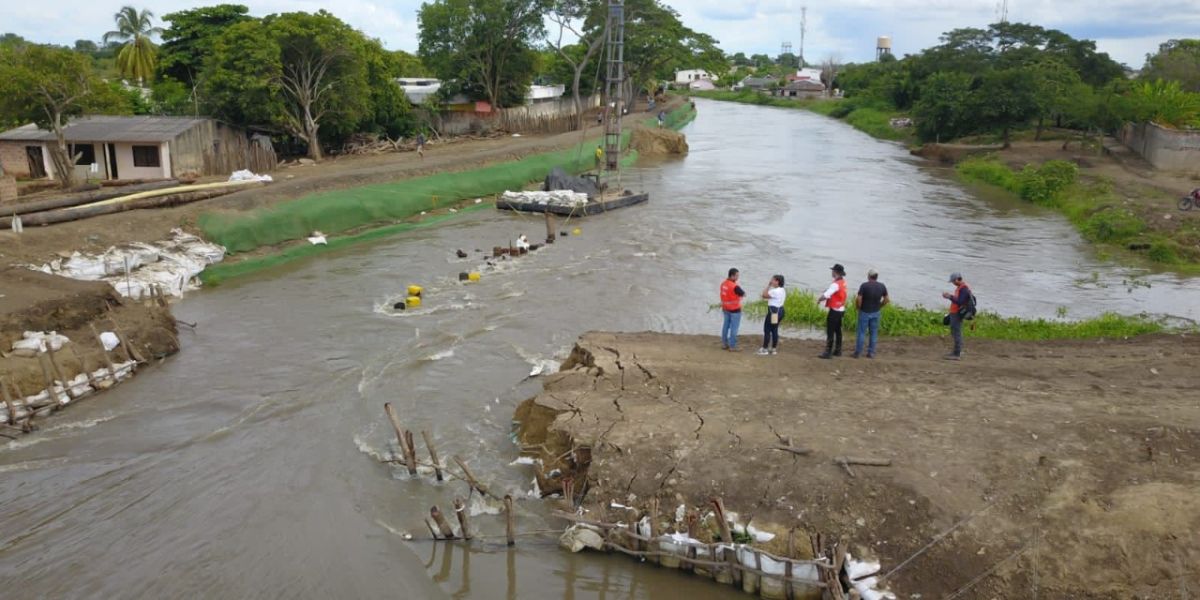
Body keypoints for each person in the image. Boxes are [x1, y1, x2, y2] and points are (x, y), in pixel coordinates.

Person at [853, 269, 889, 359]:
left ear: (869, 276)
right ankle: (871, 353)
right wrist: (880, 306)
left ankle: (858, 353)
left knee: (861, 333)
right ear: (876, 277)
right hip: (876, 312)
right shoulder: (882, 286)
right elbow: (887, 299)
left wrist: (859, 308)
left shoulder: (864, 286)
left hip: (865, 311)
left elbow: (859, 299)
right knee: (873, 333)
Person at [817, 264, 848, 359]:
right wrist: (829, 290)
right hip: (841, 309)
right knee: (838, 330)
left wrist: (819, 299)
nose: (832, 272)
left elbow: (826, 295)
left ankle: (828, 352)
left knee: (830, 331)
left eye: (833, 270)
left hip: (834, 311)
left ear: (835, 272)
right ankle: (838, 350)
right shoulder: (843, 282)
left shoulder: (835, 284)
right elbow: (837, 290)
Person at [942, 272, 971, 360]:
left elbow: (960, 301)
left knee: (956, 332)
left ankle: (956, 354)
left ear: (957, 279)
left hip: (957, 314)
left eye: (953, 281)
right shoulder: (961, 287)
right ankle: (959, 351)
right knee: (957, 332)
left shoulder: (964, 289)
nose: (953, 283)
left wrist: (949, 296)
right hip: (955, 312)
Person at [757, 274, 786, 356]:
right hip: (781, 311)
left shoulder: (774, 291)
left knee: (767, 330)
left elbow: (763, 295)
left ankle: (765, 349)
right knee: (774, 329)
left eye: (773, 280)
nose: (771, 281)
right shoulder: (782, 290)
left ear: (777, 281)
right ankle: (773, 349)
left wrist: (768, 286)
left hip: (773, 312)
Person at [720, 268, 746, 351]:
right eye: (737, 276)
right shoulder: (735, 286)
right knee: (734, 328)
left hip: (725, 308)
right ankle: (732, 346)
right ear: (732, 276)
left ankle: (724, 344)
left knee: (725, 326)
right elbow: (743, 294)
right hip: (735, 310)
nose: (738, 277)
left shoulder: (723, 284)